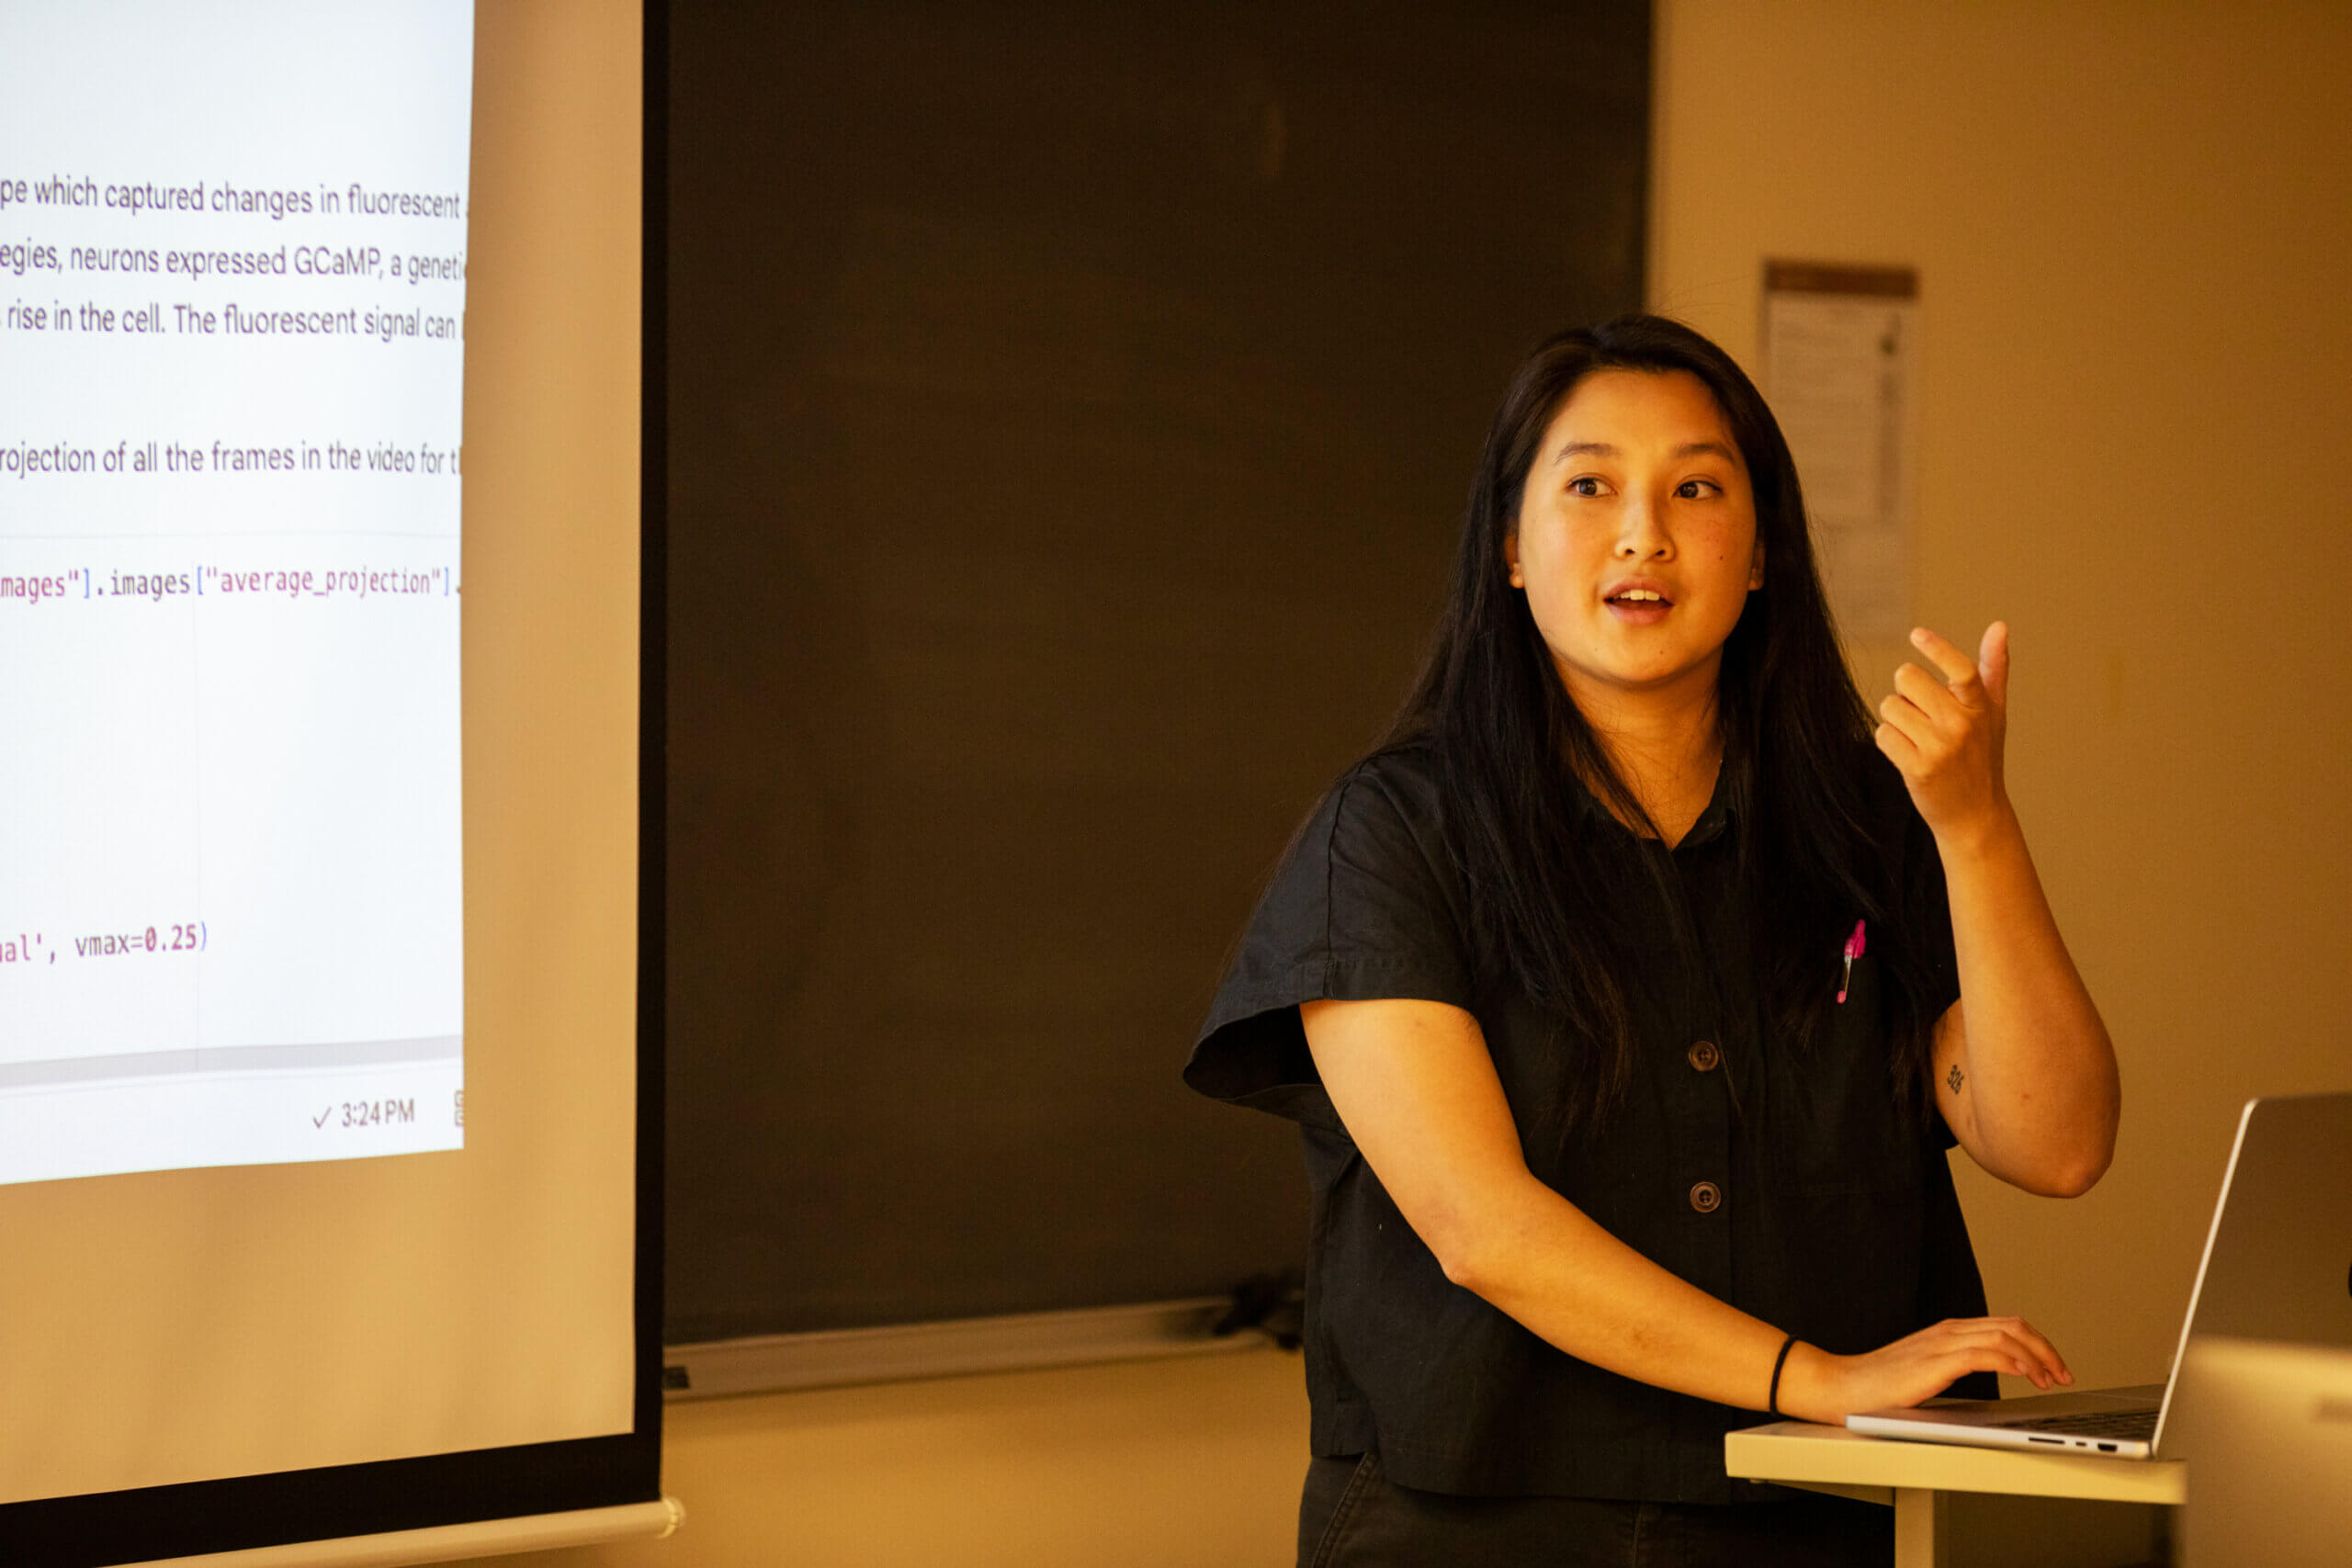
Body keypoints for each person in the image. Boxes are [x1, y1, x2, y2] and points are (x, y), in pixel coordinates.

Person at [1183, 315, 2120, 1567]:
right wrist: (1815, 1378)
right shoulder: (1392, 836)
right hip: (1484, 1527)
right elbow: (1483, 1229)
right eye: (1589, 487)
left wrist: (1977, 828)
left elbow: (2056, 1143)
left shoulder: (1861, 824)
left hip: (1818, 1517)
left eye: (1696, 487)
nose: (1644, 533)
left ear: (1760, 554)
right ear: (1510, 549)